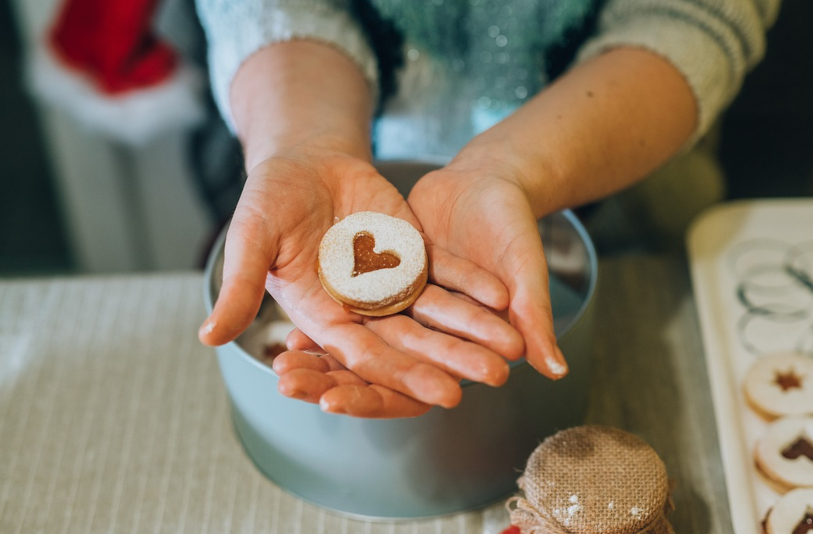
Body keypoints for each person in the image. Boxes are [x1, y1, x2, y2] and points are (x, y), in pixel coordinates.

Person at [195, 0, 777, 418]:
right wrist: (303, 144)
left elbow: (693, 17)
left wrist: (509, 169)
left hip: (627, 195)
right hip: (321, 147)